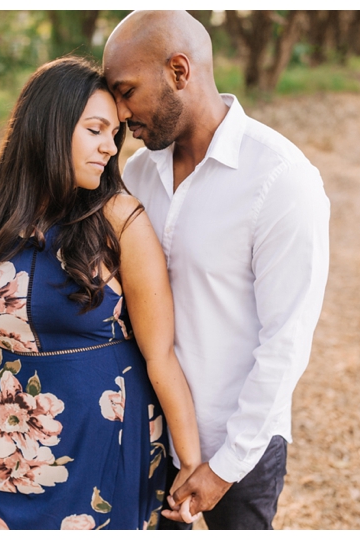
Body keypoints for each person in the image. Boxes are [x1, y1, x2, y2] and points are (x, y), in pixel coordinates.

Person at [0, 56, 201, 530]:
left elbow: (159, 354)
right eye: (96, 130)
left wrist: (190, 464)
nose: (109, 148)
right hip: (16, 436)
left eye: (114, 135)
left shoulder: (120, 219)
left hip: (111, 432)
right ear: (49, 127)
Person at [103, 11, 330, 530]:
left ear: (179, 71)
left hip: (241, 447)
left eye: (126, 90)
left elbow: (286, 338)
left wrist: (225, 467)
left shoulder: (280, 179)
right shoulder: (135, 173)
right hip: (147, 431)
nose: (118, 112)